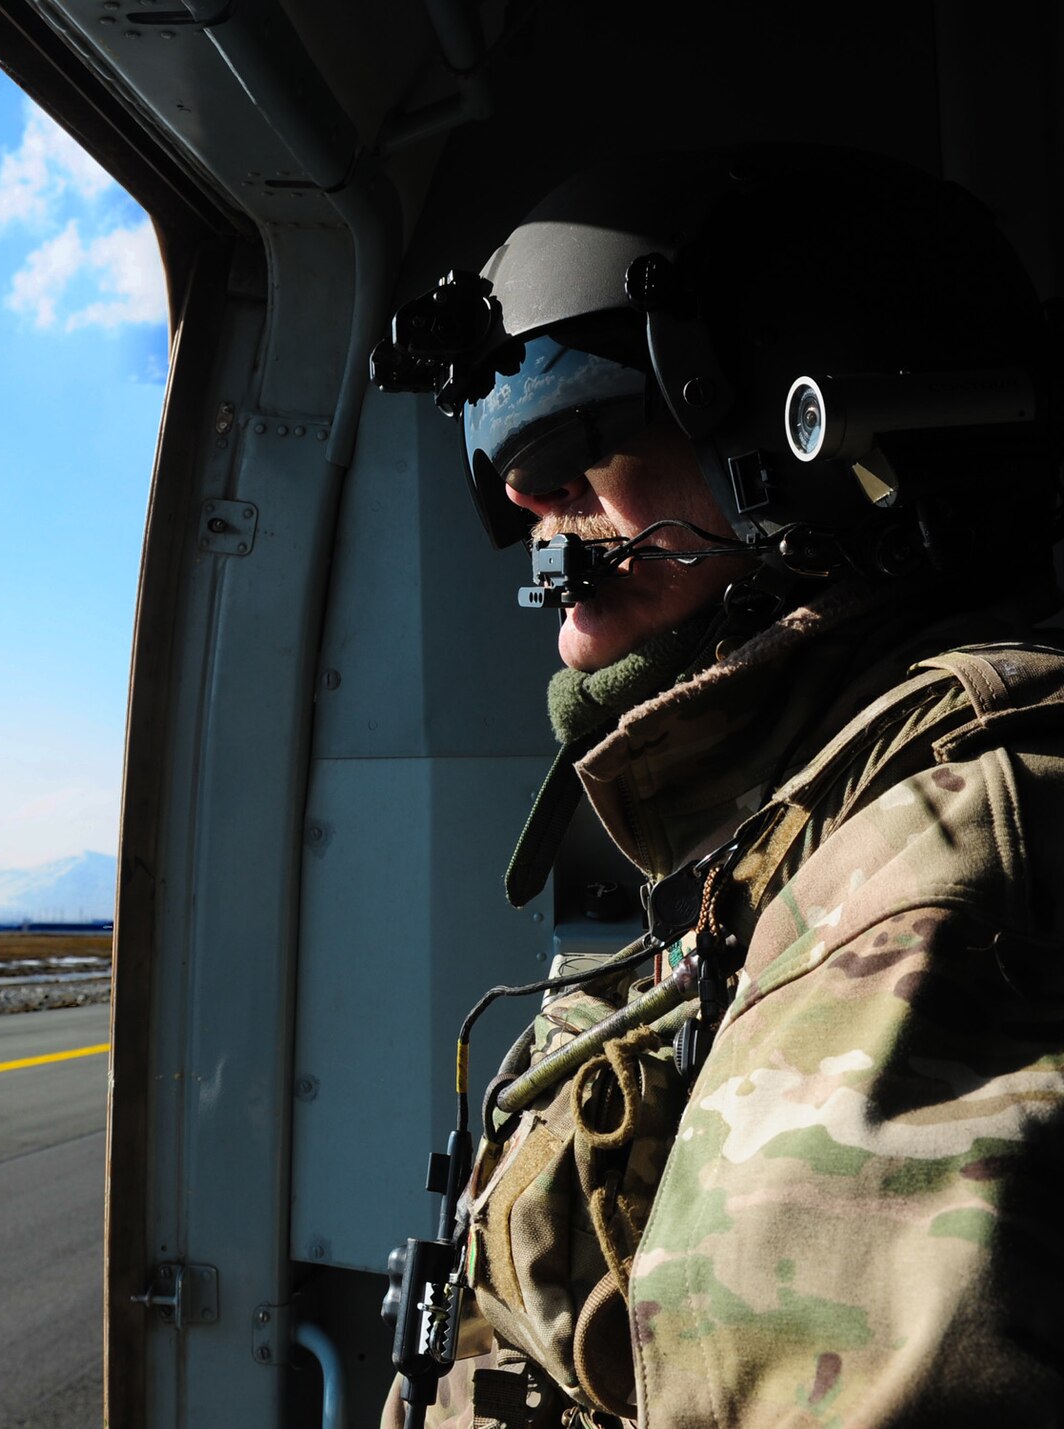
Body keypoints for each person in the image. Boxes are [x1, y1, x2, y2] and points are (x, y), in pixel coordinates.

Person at [373, 147, 1064, 1428]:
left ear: (808, 423)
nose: (519, 487)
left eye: (570, 405)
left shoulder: (929, 869)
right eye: (494, 429)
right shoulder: (799, 832)